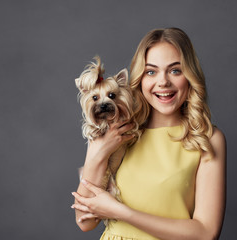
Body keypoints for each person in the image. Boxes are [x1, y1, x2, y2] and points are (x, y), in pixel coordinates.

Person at [71, 27, 226, 240]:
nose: (163, 82)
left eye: (175, 70)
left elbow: (206, 233)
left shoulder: (207, 139)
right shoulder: (121, 133)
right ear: (140, 79)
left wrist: (121, 212)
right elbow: (85, 222)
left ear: (190, 76)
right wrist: (97, 152)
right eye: (151, 71)